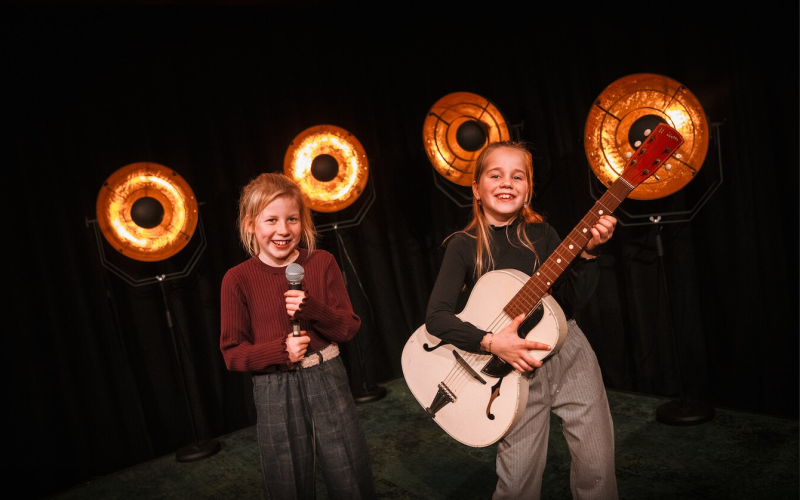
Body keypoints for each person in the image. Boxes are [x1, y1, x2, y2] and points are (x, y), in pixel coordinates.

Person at [425, 140, 618, 499]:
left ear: (528, 189)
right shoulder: (463, 245)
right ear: (477, 189)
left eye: (518, 176)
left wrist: (589, 254)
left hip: (569, 352)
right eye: (495, 175)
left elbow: (572, 303)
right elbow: (436, 318)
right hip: (513, 370)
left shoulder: (543, 234)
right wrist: (490, 342)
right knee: (518, 477)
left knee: (597, 463)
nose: (506, 183)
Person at [220, 172, 376, 500]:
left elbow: (348, 328)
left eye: (292, 219)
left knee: (349, 471)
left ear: (302, 221)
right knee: (286, 479)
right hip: (274, 387)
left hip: (326, 376)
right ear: (251, 225)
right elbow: (233, 353)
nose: (283, 230)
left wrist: (312, 307)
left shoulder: (321, 262)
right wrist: (280, 350)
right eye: (271, 220)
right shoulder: (237, 279)